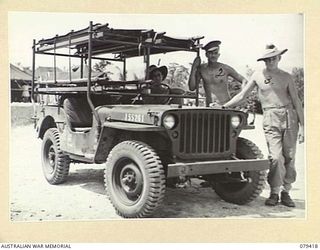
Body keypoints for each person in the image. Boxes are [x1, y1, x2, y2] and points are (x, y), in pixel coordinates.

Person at [221, 44, 304, 207]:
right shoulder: (258, 75)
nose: (270, 61)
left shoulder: (287, 77)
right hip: (270, 116)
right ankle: (274, 192)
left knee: (290, 156)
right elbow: (242, 95)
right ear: (263, 60)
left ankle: (286, 191)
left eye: (273, 58)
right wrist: (225, 106)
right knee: (275, 156)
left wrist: (303, 127)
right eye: (267, 59)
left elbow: (296, 101)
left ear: (279, 58)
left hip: (289, 117)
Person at [188, 40, 247, 106]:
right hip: (209, 107)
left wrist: (242, 95)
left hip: (225, 107)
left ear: (218, 55)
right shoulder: (202, 69)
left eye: (215, 53)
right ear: (206, 55)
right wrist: (193, 68)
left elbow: (244, 80)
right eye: (210, 53)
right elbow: (192, 87)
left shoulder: (225, 68)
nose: (213, 55)